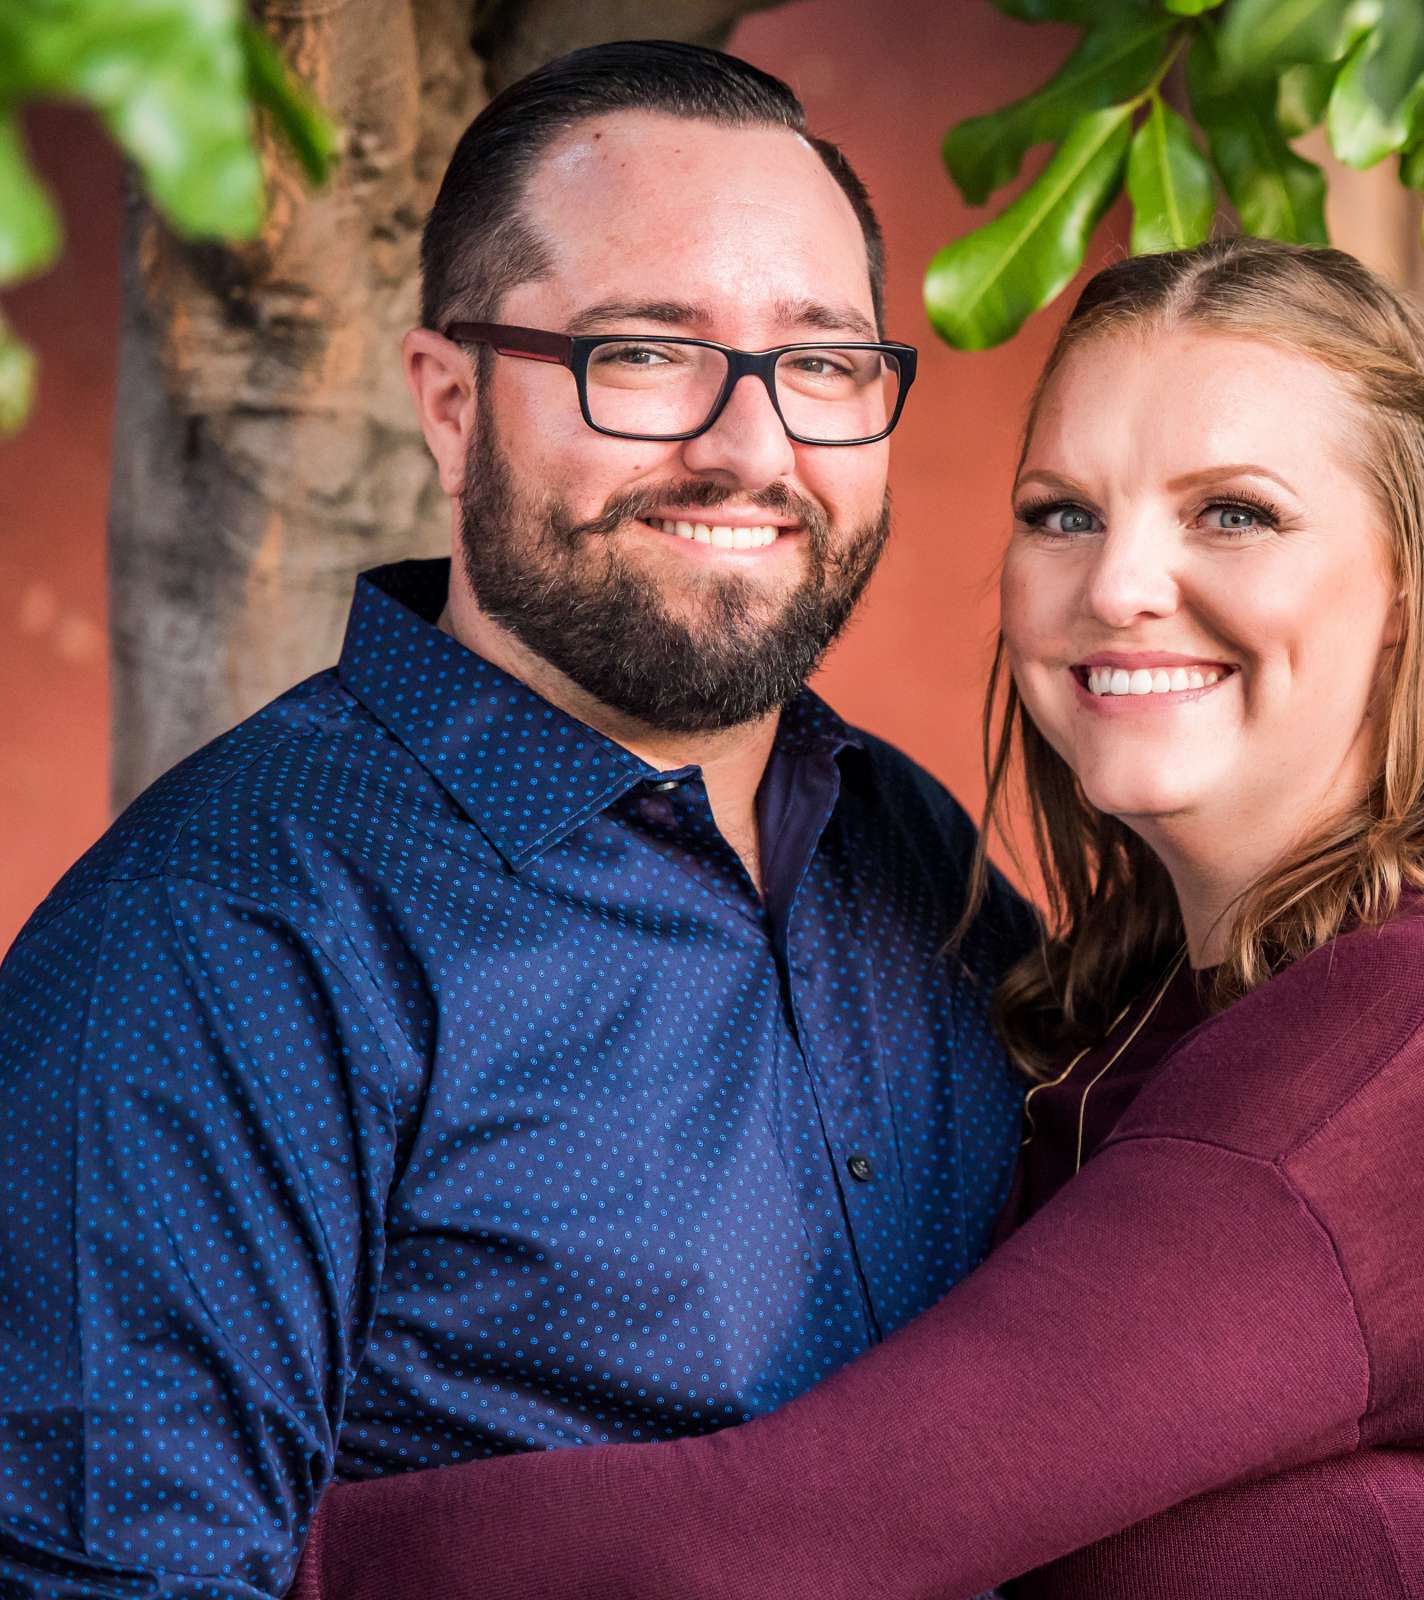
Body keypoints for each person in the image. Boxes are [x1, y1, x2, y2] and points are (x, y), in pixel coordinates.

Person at [288, 238, 1424, 1600]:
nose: (1119, 587)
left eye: (1237, 513)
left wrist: (234, 1554)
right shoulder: (1190, 989)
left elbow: (803, 1538)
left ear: (1416, 582)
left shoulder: (1423, 1041)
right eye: (1063, 514)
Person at [0, 41, 1037, 1598]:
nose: (752, 449)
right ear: (451, 404)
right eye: (641, 353)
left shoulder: (906, 842)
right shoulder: (219, 937)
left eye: (821, 363)